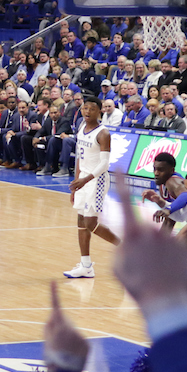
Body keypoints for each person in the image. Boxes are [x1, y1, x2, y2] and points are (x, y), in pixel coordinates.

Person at [64, 96, 120, 279]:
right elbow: (79, 157)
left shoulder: (103, 133)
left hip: (96, 180)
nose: (87, 112)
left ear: (100, 111)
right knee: (81, 221)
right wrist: (75, 184)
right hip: (83, 179)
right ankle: (86, 265)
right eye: (85, 108)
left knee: (90, 222)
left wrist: (85, 180)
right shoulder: (81, 127)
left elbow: (104, 164)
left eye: (92, 109)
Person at [141, 152, 187, 231]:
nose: (156, 173)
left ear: (172, 170)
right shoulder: (163, 183)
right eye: (155, 169)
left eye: (160, 170)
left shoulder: (173, 181)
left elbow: (186, 194)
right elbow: (170, 219)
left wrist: (169, 209)